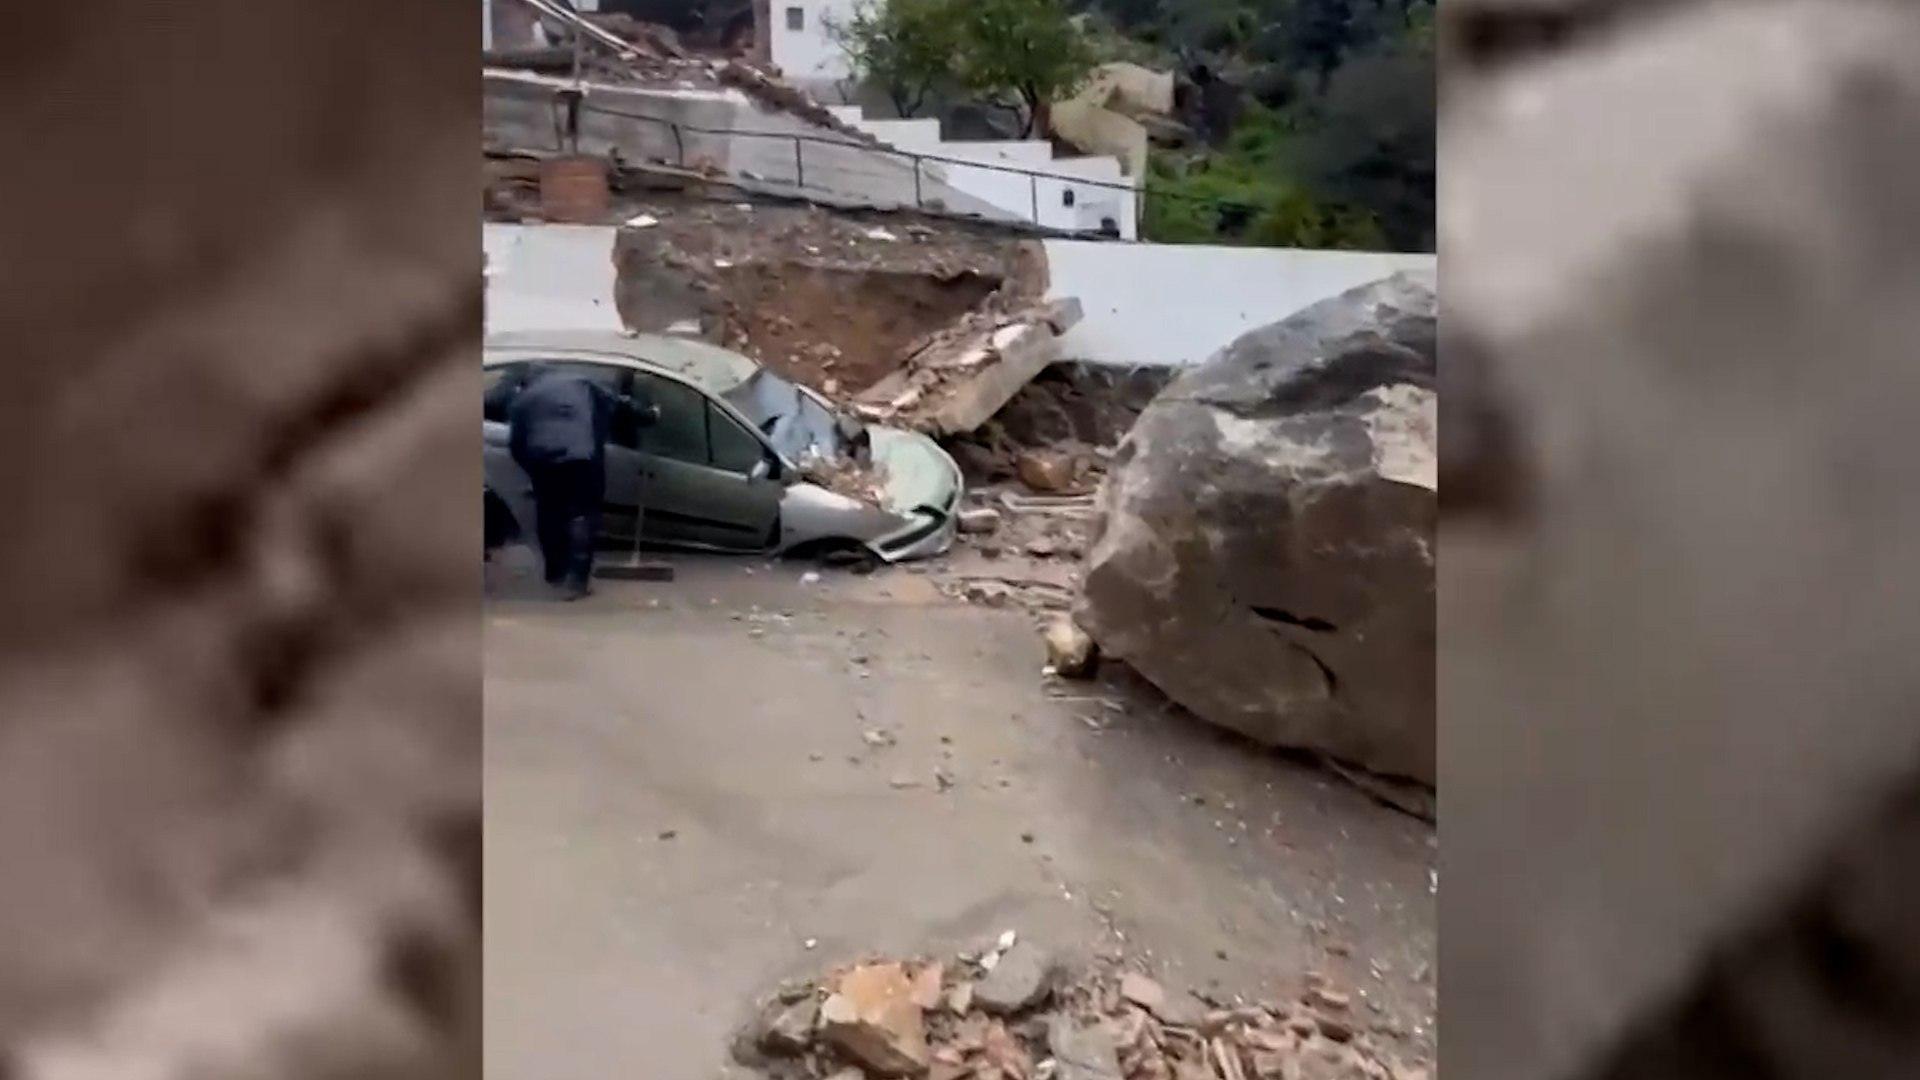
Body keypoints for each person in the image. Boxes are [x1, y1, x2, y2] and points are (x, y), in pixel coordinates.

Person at [500, 365, 656, 600]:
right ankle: (576, 582)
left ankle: (554, 572)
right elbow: (621, 406)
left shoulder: (522, 400)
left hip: (541, 458)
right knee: (583, 513)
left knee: (549, 514)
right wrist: (650, 415)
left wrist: (533, 470)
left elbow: (516, 444)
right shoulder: (583, 383)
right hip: (580, 456)